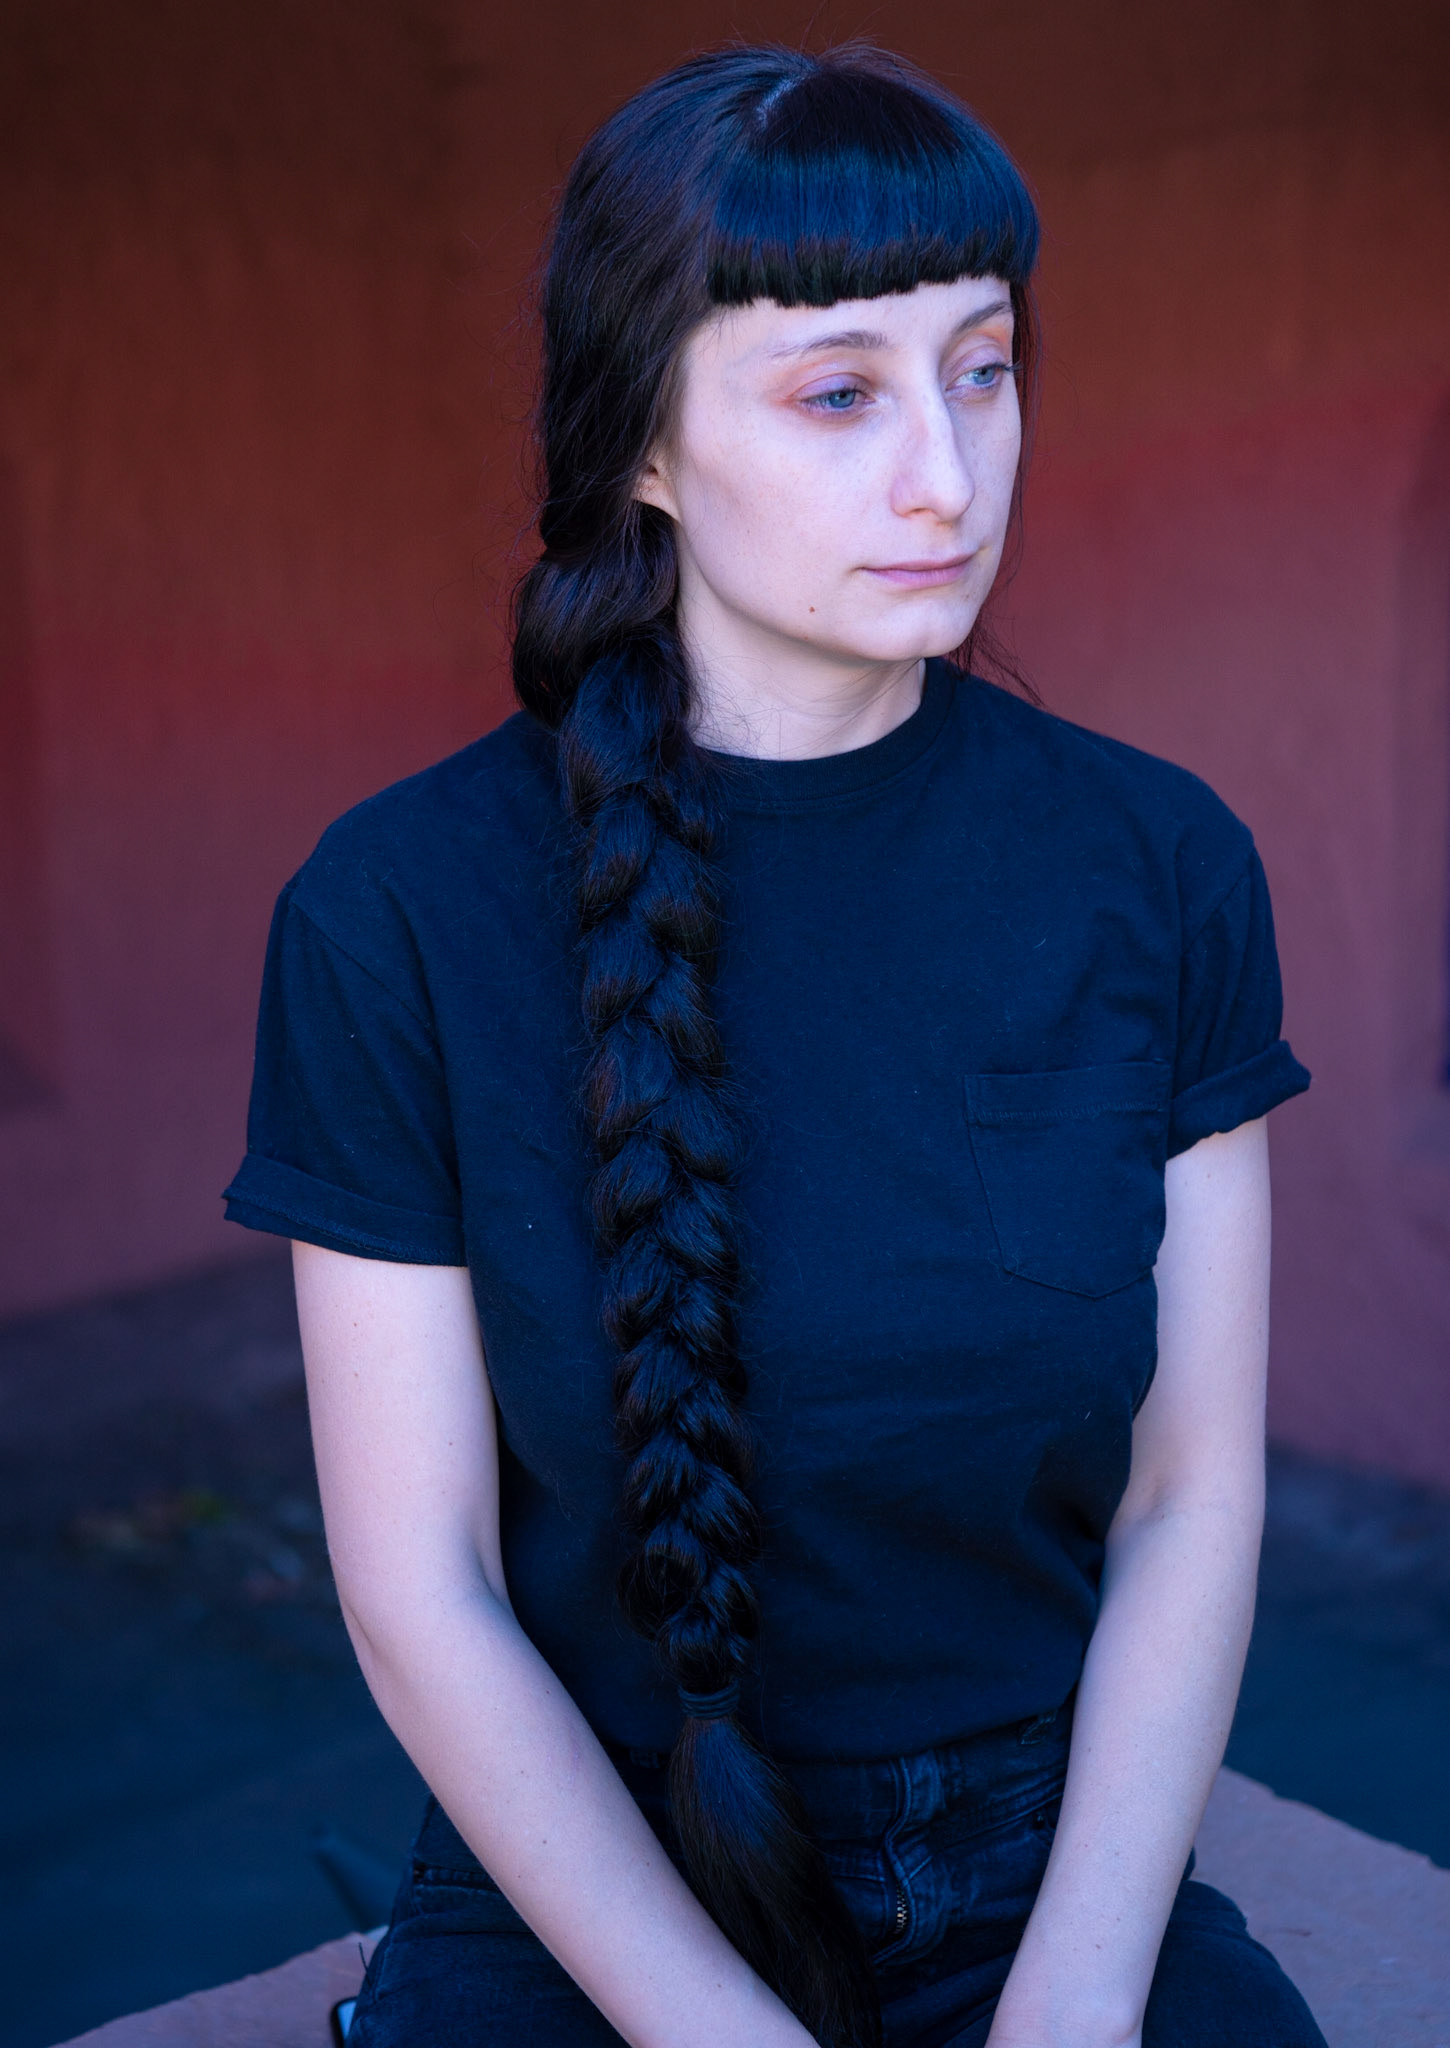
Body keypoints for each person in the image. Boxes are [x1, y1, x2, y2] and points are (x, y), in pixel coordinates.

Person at [223, 42, 1327, 2048]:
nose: (945, 470)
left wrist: (1077, 1995)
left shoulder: (1153, 868)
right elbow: (420, 1583)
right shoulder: (394, 913)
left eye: (980, 368)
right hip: (588, 1880)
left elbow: (1188, 1498)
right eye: (838, 393)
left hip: (1040, 1843)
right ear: (640, 440)